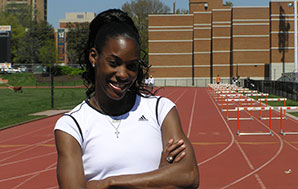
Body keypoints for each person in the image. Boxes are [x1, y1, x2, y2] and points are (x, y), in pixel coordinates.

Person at [54, 9, 199, 189]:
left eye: (131, 66)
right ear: (94, 57)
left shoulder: (160, 110)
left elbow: (189, 175)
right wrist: (160, 176)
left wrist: (109, 183)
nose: (123, 74)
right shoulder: (72, 126)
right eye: (113, 63)